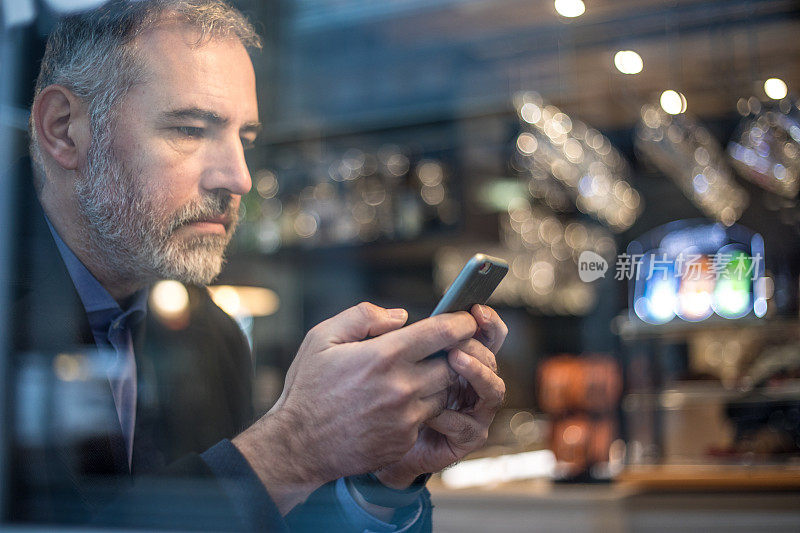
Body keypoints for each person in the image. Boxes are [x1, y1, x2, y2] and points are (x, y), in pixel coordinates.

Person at [9, 0, 508, 531]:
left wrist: (380, 478)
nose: (238, 177)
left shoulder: (210, 337)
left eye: (245, 139)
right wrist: (290, 448)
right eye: (190, 129)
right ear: (64, 129)